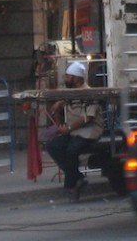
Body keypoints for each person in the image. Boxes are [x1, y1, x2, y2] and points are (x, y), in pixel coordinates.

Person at [45, 61, 104, 201]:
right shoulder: (71, 93)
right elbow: (65, 104)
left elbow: (88, 118)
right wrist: (59, 104)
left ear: (76, 78)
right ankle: (77, 178)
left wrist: (68, 128)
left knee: (71, 150)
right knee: (53, 146)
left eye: (68, 76)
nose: (65, 79)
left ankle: (72, 185)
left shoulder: (90, 94)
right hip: (74, 132)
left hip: (89, 131)